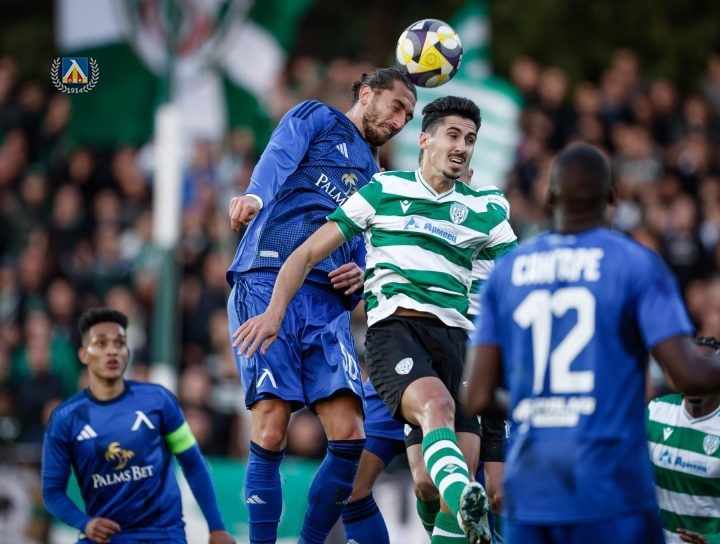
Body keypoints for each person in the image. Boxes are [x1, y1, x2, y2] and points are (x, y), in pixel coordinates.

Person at [232, 95, 518, 544]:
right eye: (453, 135)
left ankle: (460, 510)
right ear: (424, 140)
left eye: (470, 139)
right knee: (422, 429)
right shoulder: (383, 188)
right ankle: (465, 500)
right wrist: (275, 310)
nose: (462, 146)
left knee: (434, 483)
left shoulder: (487, 207)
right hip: (399, 337)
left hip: (463, 346)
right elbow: (307, 249)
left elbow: (519, 281)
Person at [461, 142, 720, 544]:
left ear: (550, 195)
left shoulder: (508, 272)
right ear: (611, 198)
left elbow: (476, 397)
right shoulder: (635, 264)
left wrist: (541, 408)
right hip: (611, 491)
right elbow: (690, 376)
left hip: (533, 490)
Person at [226, 68, 417, 544]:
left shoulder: (378, 179)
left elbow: (367, 248)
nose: (399, 122)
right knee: (272, 428)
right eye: (396, 107)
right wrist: (255, 195)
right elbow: (278, 154)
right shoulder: (317, 117)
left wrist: (361, 275)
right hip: (269, 278)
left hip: (327, 305)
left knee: (351, 436)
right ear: (366, 94)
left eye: (408, 117)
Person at [342, 169, 514, 544]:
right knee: (405, 483)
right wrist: (367, 271)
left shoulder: (487, 208)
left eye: (466, 144)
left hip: (474, 356)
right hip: (413, 346)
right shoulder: (406, 202)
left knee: (491, 492)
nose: (456, 160)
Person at [41, 308, 235, 544]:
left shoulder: (160, 401)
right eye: (101, 343)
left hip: (162, 536)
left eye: (119, 343)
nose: (112, 350)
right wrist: (85, 523)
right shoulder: (64, 419)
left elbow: (193, 462)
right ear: (83, 354)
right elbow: (52, 492)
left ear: (128, 352)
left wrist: (216, 527)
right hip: (105, 537)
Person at [647, 336, 720, 544]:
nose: (697, 380)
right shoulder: (656, 412)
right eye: (691, 369)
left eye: (706, 371)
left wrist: (717, 540)